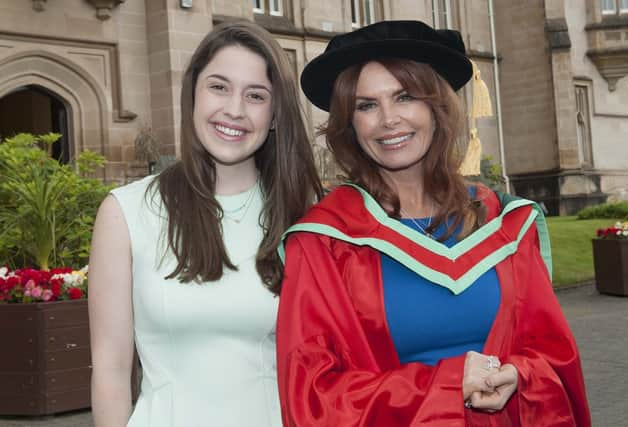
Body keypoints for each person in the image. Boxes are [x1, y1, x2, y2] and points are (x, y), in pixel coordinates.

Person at [276, 20, 590, 426]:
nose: (388, 119)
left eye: (405, 96)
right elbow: (312, 399)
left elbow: (553, 355)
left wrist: (523, 375)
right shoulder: (327, 242)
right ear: (350, 125)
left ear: (436, 106)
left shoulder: (505, 225)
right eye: (366, 105)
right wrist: (447, 384)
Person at [88, 21, 322, 427]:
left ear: (274, 116)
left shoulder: (306, 215)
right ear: (193, 94)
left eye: (255, 96)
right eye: (219, 87)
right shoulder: (125, 212)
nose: (234, 109)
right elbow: (110, 371)